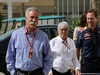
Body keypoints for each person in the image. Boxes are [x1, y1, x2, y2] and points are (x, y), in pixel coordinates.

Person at [6, 7, 53, 75]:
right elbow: (9, 56)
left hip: (37, 72)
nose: (34, 20)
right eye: (32, 17)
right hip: (20, 73)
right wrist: (13, 72)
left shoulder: (43, 36)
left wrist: (44, 72)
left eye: (36, 18)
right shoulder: (16, 35)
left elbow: (49, 58)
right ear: (26, 18)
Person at [75, 9, 100, 74]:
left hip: (98, 64)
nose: (89, 21)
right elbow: (77, 48)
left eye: (92, 18)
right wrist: (76, 66)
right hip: (86, 65)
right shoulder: (81, 32)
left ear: (96, 18)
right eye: (88, 18)